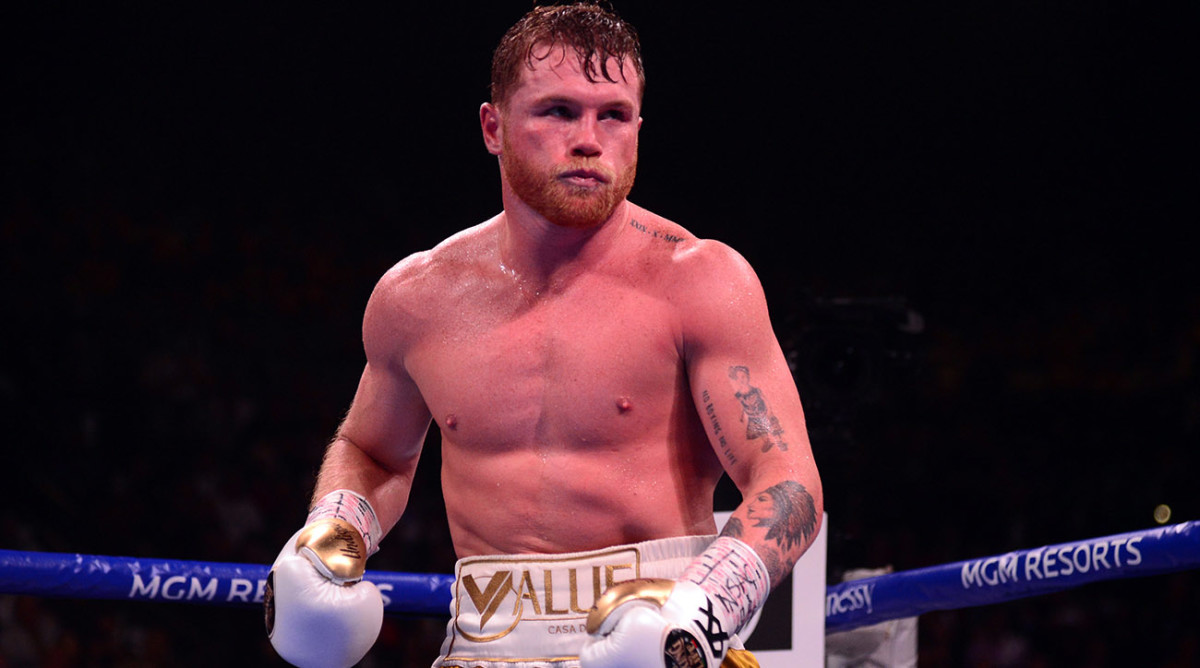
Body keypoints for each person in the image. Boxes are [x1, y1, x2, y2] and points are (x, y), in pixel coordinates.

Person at [265, 3, 823, 667]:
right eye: (558, 111)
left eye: (613, 115)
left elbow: (788, 482)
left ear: (639, 127)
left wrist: (702, 609)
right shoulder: (418, 297)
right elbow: (373, 450)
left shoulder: (700, 281)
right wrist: (333, 526)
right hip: (482, 647)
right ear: (492, 127)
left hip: (662, 637)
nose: (589, 139)